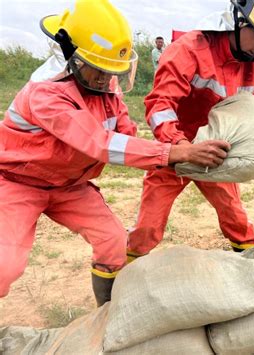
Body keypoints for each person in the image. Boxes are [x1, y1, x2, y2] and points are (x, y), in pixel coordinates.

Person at [0, 0, 229, 306]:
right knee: (5, 264)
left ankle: (106, 315)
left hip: (70, 187)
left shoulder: (106, 86)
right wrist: (174, 153)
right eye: (98, 69)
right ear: (71, 55)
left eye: (111, 71)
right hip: (18, 184)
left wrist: (169, 151)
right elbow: (101, 143)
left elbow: (124, 134)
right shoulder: (45, 95)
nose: (105, 78)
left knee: (114, 244)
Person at [127, 0, 254, 260]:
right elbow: (160, 104)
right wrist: (181, 147)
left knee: (237, 220)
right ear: (239, 21)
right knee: (147, 227)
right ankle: (117, 282)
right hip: (176, 152)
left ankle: (253, 271)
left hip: (215, 154)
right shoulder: (190, 50)